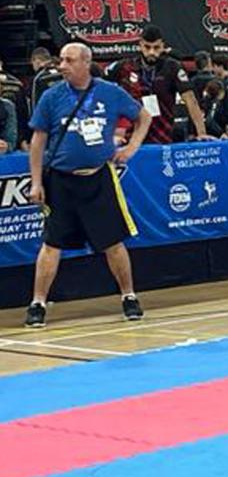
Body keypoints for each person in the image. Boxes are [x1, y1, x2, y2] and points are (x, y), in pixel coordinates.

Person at [24, 42, 151, 329]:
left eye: (69, 61)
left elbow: (143, 116)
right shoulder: (52, 96)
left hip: (98, 177)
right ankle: (38, 303)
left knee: (113, 242)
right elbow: (38, 141)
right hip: (61, 180)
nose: (62, 66)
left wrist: (132, 147)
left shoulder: (110, 92)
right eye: (62, 60)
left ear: (85, 63)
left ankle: (129, 296)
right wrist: (35, 182)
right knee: (51, 244)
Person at [107, 25, 209, 144]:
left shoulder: (173, 67)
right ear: (140, 45)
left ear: (162, 46)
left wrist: (202, 133)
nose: (151, 52)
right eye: (147, 47)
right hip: (132, 137)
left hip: (163, 135)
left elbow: (191, 100)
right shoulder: (125, 67)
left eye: (156, 47)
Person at [207, 54, 228, 137]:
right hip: (221, 123)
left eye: (214, 66)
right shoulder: (219, 81)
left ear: (220, 66)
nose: (212, 69)